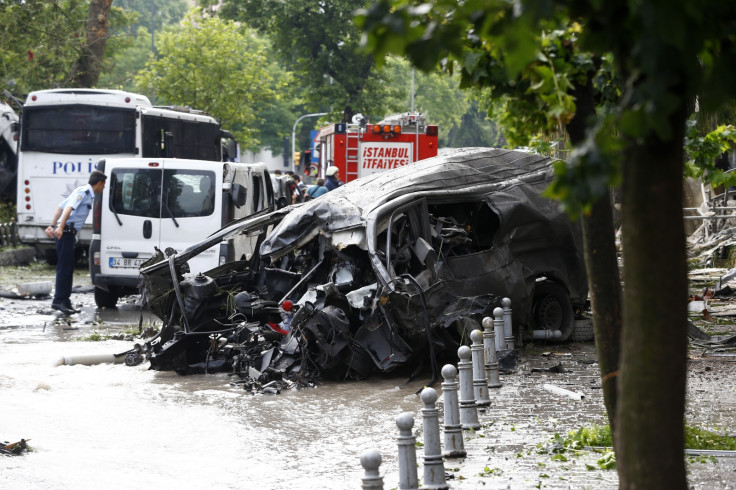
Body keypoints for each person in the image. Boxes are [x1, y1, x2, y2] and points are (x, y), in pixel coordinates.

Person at [45, 170, 107, 315]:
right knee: (64, 268)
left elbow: (59, 207)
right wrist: (59, 227)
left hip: (67, 233)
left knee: (68, 267)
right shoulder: (84, 193)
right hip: (65, 232)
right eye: (103, 185)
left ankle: (65, 301)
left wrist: (52, 226)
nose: (103, 188)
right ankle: (58, 301)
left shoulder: (81, 191)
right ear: (98, 183)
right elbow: (67, 209)